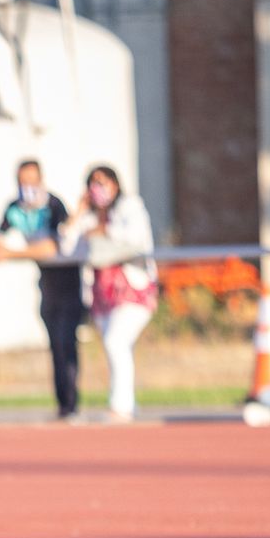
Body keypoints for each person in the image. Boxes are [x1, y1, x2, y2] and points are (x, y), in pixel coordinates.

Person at [0, 160, 85, 420]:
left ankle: (72, 404)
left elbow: (53, 248)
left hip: (68, 284)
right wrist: (2, 248)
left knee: (67, 341)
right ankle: (62, 405)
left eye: (32, 182)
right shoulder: (14, 208)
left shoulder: (53, 205)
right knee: (55, 343)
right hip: (46, 285)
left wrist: (13, 253)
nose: (28, 188)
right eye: (23, 182)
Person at [62, 166, 156, 423]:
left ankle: (121, 406)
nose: (98, 189)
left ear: (115, 184)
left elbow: (137, 238)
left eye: (103, 183)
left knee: (116, 341)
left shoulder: (130, 207)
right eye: (93, 184)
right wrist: (79, 212)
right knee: (113, 346)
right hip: (103, 294)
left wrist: (105, 231)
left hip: (131, 288)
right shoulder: (88, 217)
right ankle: (124, 403)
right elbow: (67, 246)